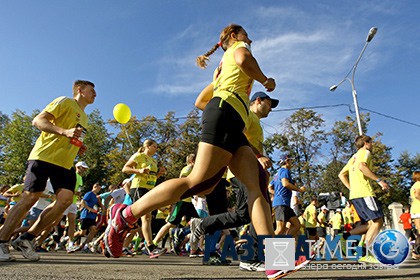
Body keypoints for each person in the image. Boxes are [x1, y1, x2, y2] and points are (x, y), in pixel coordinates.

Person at [103, 24, 276, 277]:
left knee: (256, 186)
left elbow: (200, 101)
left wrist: (221, 99)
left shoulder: (223, 73)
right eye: (246, 34)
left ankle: (273, 261)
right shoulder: (239, 49)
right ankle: (125, 215)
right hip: (226, 113)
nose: (250, 38)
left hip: (232, 120)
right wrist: (265, 80)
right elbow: (244, 58)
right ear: (233, 36)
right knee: (195, 181)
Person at [0, 80, 96, 262]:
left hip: (65, 164)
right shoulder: (64, 101)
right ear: (79, 90)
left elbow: (71, 136)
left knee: (65, 201)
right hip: (44, 157)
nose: (95, 94)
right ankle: (1, 240)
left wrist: (78, 146)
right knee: (30, 198)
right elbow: (38, 121)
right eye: (92, 90)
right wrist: (64, 132)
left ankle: (26, 238)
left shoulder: (85, 118)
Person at [190, 91, 278, 269]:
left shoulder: (256, 122)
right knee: (259, 207)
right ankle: (251, 257)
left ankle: (203, 224)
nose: (271, 108)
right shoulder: (248, 116)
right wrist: (258, 155)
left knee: (244, 214)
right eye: (269, 103)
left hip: (250, 172)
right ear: (257, 101)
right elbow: (236, 135)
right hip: (242, 172)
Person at [338, 135, 389, 263]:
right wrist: (379, 181)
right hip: (365, 192)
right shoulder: (365, 152)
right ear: (366, 143)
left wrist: (351, 188)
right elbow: (362, 167)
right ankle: (364, 252)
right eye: (371, 142)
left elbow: (341, 175)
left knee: (370, 224)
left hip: (355, 195)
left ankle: (345, 236)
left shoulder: (353, 157)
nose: (372, 145)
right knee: (378, 221)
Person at [120, 139, 167, 258]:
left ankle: (120, 240)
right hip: (138, 188)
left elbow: (150, 176)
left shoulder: (154, 161)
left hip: (150, 189)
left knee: (140, 220)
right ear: (147, 146)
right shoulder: (138, 156)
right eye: (155, 146)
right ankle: (150, 247)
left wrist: (158, 175)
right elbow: (125, 169)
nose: (156, 149)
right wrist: (138, 170)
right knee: (145, 217)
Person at [269, 154, 305, 238]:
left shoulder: (277, 174)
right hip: (281, 203)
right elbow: (285, 184)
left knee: (297, 225)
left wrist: (277, 193)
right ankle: (265, 247)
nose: (292, 163)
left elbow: (269, 187)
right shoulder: (285, 171)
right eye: (291, 161)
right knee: (280, 229)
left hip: (284, 204)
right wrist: (299, 190)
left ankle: (285, 240)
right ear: (287, 161)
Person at [60, 161, 89, 252]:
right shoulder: (71, 174)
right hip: (65, 200)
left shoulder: (80, 178)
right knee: (55, 221)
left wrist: (78, 195)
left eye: (85, 168)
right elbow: (66, 186)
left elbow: (78, 190)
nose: (84, 170)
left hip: (73, 202)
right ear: (77, 167)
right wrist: (73, 192)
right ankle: (37, 237)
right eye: (83, 168)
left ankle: (70, 244)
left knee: (72, 223)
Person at [70, 183, 103, 253]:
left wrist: (99, 208)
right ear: (95, 187)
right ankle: (68, 238)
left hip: (93, 216)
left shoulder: (96, 196)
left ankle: (84, 245)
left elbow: (96, 205)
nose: (99, 190)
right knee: (82, 233)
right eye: (99, 188)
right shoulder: (89, 194)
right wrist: (90, 209)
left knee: (93, 230)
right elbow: (83, 202)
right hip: (86, 215)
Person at [410, 171, 420, 259]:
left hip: (415, 209)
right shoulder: (419, 184)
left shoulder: (413, 185)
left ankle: (415, 252)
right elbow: (417, 195)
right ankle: (416, 252)